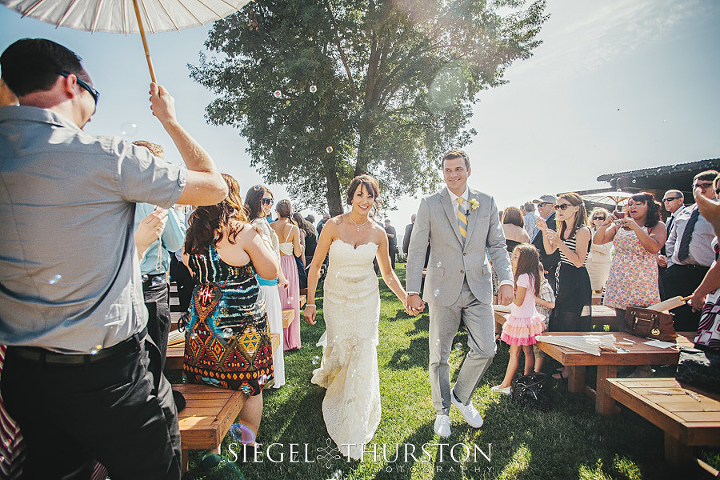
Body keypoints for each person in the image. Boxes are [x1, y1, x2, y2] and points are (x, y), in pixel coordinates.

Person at [0, 38, 227, 479]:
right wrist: (171, 121)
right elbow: (214, 187)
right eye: (94, 93)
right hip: (109, 377)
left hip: (25, 379)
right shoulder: (106, 157)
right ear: (71, 85)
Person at [406, 149, 513, 438]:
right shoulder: (430, 203)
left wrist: (506, 280)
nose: (452, 175)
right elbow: (417, 250)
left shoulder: (487, 202)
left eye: (458, 169)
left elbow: (499, 247)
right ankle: (442, 412)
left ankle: (461, 396)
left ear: (468, 170)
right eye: (447, 170)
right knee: (439, 355)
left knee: (487, 348)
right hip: (442, 290)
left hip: (478, 287)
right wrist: (413, 290)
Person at [304, 175, 411, 460]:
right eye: (360, 195)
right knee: (341, 346)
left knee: (363, 349)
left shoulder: (378, 234)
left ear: (375, 200)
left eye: (370, 196)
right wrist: (310, 302)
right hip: (336, 297)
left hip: (366, 298)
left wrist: (404, 298)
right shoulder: (333, 226)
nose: (365, 201)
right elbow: (315, 265)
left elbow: (387, 273)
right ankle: (335, 376)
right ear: (351, 197)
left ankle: (354, 414)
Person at [183, 174, 278, 450]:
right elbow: (270, 271)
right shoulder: (241, 231)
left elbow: (192, 271)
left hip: (201, 322)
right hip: (242, 326)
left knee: (203, 381)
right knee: (250, 385)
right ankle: (248, 445)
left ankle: (210, 447)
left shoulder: (194, 235)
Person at [133, 140, 187, 368]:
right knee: (153, 357)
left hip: (114, 284)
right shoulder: (156, 199)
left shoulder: (107, 195)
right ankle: (154, 397)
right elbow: (175, 242)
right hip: (151, 288)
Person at [536, 193, 592, 380]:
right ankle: (565, 365)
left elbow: (578, 261)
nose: (558, 210)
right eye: (558, 206)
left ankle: (572, 370)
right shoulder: (562, 228)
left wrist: (560, 242)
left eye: (563, 206)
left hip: (576, 279)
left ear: (576, 208)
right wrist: (545, 231)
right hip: (562, 277)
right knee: (561, 320)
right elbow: (550, 250)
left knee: (571, 322)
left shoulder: (582, 231)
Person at [594, 193, 666, 331]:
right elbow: (598, 240)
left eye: (638, 204)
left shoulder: (657, 226)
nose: (633, 207)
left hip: (641, 281)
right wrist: (605, 224)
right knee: (622, 323)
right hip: (620, 279)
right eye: (631, 204)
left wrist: (635, 227)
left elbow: (653, 247)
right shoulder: (620, 226)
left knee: (642, 324)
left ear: (648, 206)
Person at [663, 171, 718, 331]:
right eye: (696, 186)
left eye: (706, 185)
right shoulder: (685, 211)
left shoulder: (717, 211)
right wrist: (671, 263)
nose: (700, 189)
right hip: (679, 272)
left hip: (705, 273)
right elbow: (672, 239)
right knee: (677, 321)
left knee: (701, 322)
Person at [245, 185, 286, 388]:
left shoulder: (253, 223)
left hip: (259, 283)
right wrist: (281, 277)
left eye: (271, 200)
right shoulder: (259, 223)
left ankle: (263, 375)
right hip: (266, 284)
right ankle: (272, 378)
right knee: (272, 331)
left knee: (262, 332)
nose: (269, 204)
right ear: (255, 201)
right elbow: (269, 255)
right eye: (265, 201)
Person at [491, 244, 545, 394]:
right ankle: (526, 382)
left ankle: (506, 385)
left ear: (524, 260)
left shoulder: (522, 277)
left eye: (515, 257)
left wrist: (507, 291)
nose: (512, 259)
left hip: (520, 321)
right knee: (528, 352)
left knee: (514, 353)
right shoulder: (532, 276)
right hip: (528, 320)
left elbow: (518, 301)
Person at [271, 200, 302, 351]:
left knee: (279, 298)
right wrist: (300, 246)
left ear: (277, 212)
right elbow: (297, 253)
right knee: (291, 299)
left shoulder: (271, 227)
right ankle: (292, 340)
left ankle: (280, 338)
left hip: (277, 265)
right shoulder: (294, 229)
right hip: (290, 264)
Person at [657, 190, 686, 297]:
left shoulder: (686, 215)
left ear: (680, 200)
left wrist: (670, 260)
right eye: (664, 200)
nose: (666, 202)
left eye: (670, 199)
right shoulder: (670, 219)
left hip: (678, 264)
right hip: (665, 264)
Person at [532, 195, 561, 292]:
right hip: (544, 267)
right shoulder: (547, 221)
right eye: (538, 205)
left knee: (548, 298)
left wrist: (546, 266)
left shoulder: (555, 221)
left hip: (549, 269)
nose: (539, 207)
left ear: (553, 206)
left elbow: (556, 248)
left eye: (542, 204)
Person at [533, 265, 555, 373]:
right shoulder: (537, 286)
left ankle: (537, 372)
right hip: (535, 322)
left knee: (539, 349)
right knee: (535, 347)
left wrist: (535, 299)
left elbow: (551, 304)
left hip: (542, 322)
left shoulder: (545, 287)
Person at [586, 207, 612, 293]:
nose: (598, 220)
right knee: (587, 288)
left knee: (599, 289)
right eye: (595, 218)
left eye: (601, 218)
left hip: (601, 264)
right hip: (588, 263)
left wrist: (591, 243)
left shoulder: (609, 231)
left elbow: (605, 249)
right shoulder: (588, 230)